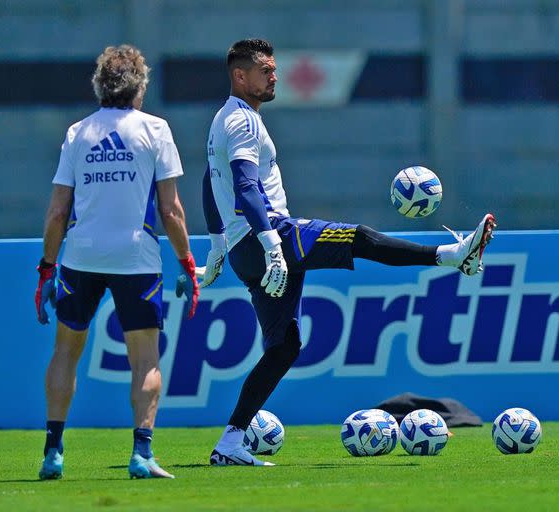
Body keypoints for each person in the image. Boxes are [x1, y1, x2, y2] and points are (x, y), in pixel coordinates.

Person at [199, 39, 496, 466]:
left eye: (274, 68)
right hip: (272, 236)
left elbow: (211, 184)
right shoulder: (242, 121)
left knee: (284, 347)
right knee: (357, 237)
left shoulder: (222, 119)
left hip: (249, 247)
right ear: (239, 76)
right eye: (265, 69)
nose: (274, 76)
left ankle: (230, 441)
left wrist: (216, 245)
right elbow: (245, 188)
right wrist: (271, 245)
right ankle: (452, 256)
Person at [34, 44, 199, 480]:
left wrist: (47, 269)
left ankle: (53, 451)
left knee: (66, 352)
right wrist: (186, 261)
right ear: (139, 87)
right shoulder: (156, 129)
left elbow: (56, 212)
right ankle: (141, 454)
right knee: (145, 359)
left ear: (99, 86)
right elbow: (171, 211)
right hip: (136, 258)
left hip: (81, 256)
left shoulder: (77, 133)